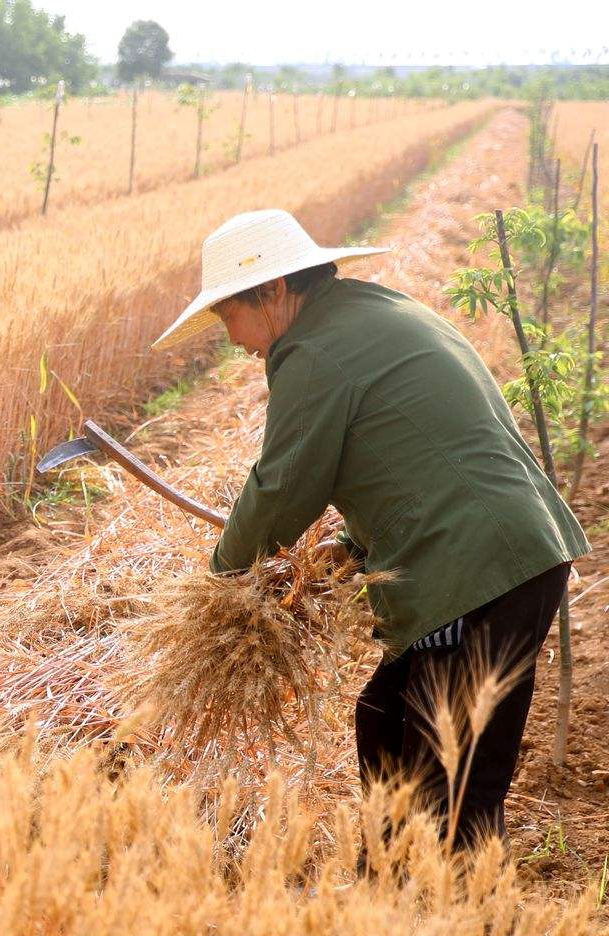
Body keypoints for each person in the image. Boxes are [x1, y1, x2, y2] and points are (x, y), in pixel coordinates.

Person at [154, 209, 589, 849]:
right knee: (384, 722)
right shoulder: (367, 315)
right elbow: (412, 450)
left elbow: (281, 489)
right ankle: (391, 896)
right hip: (494, 552)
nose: (234, 340)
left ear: (272, 292)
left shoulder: (312, 350)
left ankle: (453, 928)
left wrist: (217, 581)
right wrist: (355, 546)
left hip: (477, 568)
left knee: (447, 780)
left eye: (229, 318)